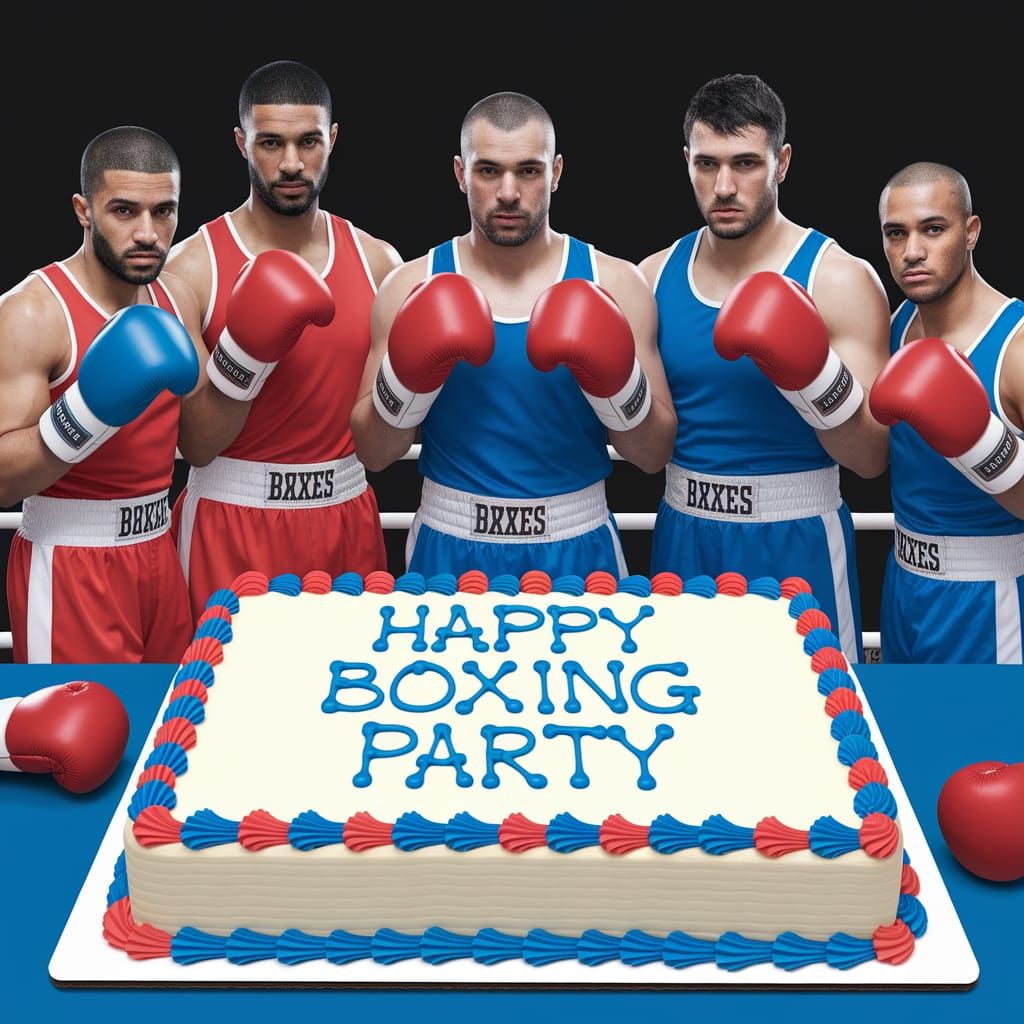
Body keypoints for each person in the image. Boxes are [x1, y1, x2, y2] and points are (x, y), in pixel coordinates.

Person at [350, 91, 675, 580]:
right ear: (461, 174)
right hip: (450, 542)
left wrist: (616, 379)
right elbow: (375, 453)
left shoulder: (615, 284)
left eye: (528, 171)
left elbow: (651, 456)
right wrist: (406, 376)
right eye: (488, 171)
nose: (507, 192)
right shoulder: (409, 287)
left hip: (577, 544)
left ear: (556, 172)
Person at [639, 73, 891, 663]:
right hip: (685, 532)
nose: (724, 186)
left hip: (797, 536)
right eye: (707, 164)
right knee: (683, 729)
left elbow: (870, 457)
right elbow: (646, 451)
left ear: (781, 163)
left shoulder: (837, 280)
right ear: (687, 161)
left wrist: (811, 373)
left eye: (746, 163)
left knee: (817, 733)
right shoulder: (652, 278)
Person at [0, 126, 248, 663]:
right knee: (82, 741)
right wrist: (86, 412)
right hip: (72, 562)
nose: (148, 233)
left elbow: (202, 444)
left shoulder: (175, 300)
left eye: (164, 212)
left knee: (166, 730)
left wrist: (250, 356)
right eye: (124, 211)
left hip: (158, 550)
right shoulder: (34, 313)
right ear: (83, 210)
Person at [167, 60, 402, 622]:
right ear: (240, 142)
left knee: (349, 700)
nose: (292, 163)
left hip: (345, 514)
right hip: (230, 519)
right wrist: (244, 353)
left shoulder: (378, 263)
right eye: (270, 143)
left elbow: (384, 450)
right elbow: (197, 445)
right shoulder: (194, 268)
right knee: (222, 702)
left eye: (308, 142)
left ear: (333, 139)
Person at [870, 162, 1024, 663]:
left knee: (983, 743)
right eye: (897, 234)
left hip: (988, 598)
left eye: (933, 229)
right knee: (899, 739)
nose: (912, 251)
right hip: (902, 585)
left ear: (971, 232)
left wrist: (981, 441)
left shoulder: (1015, 349)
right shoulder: (893, 330)